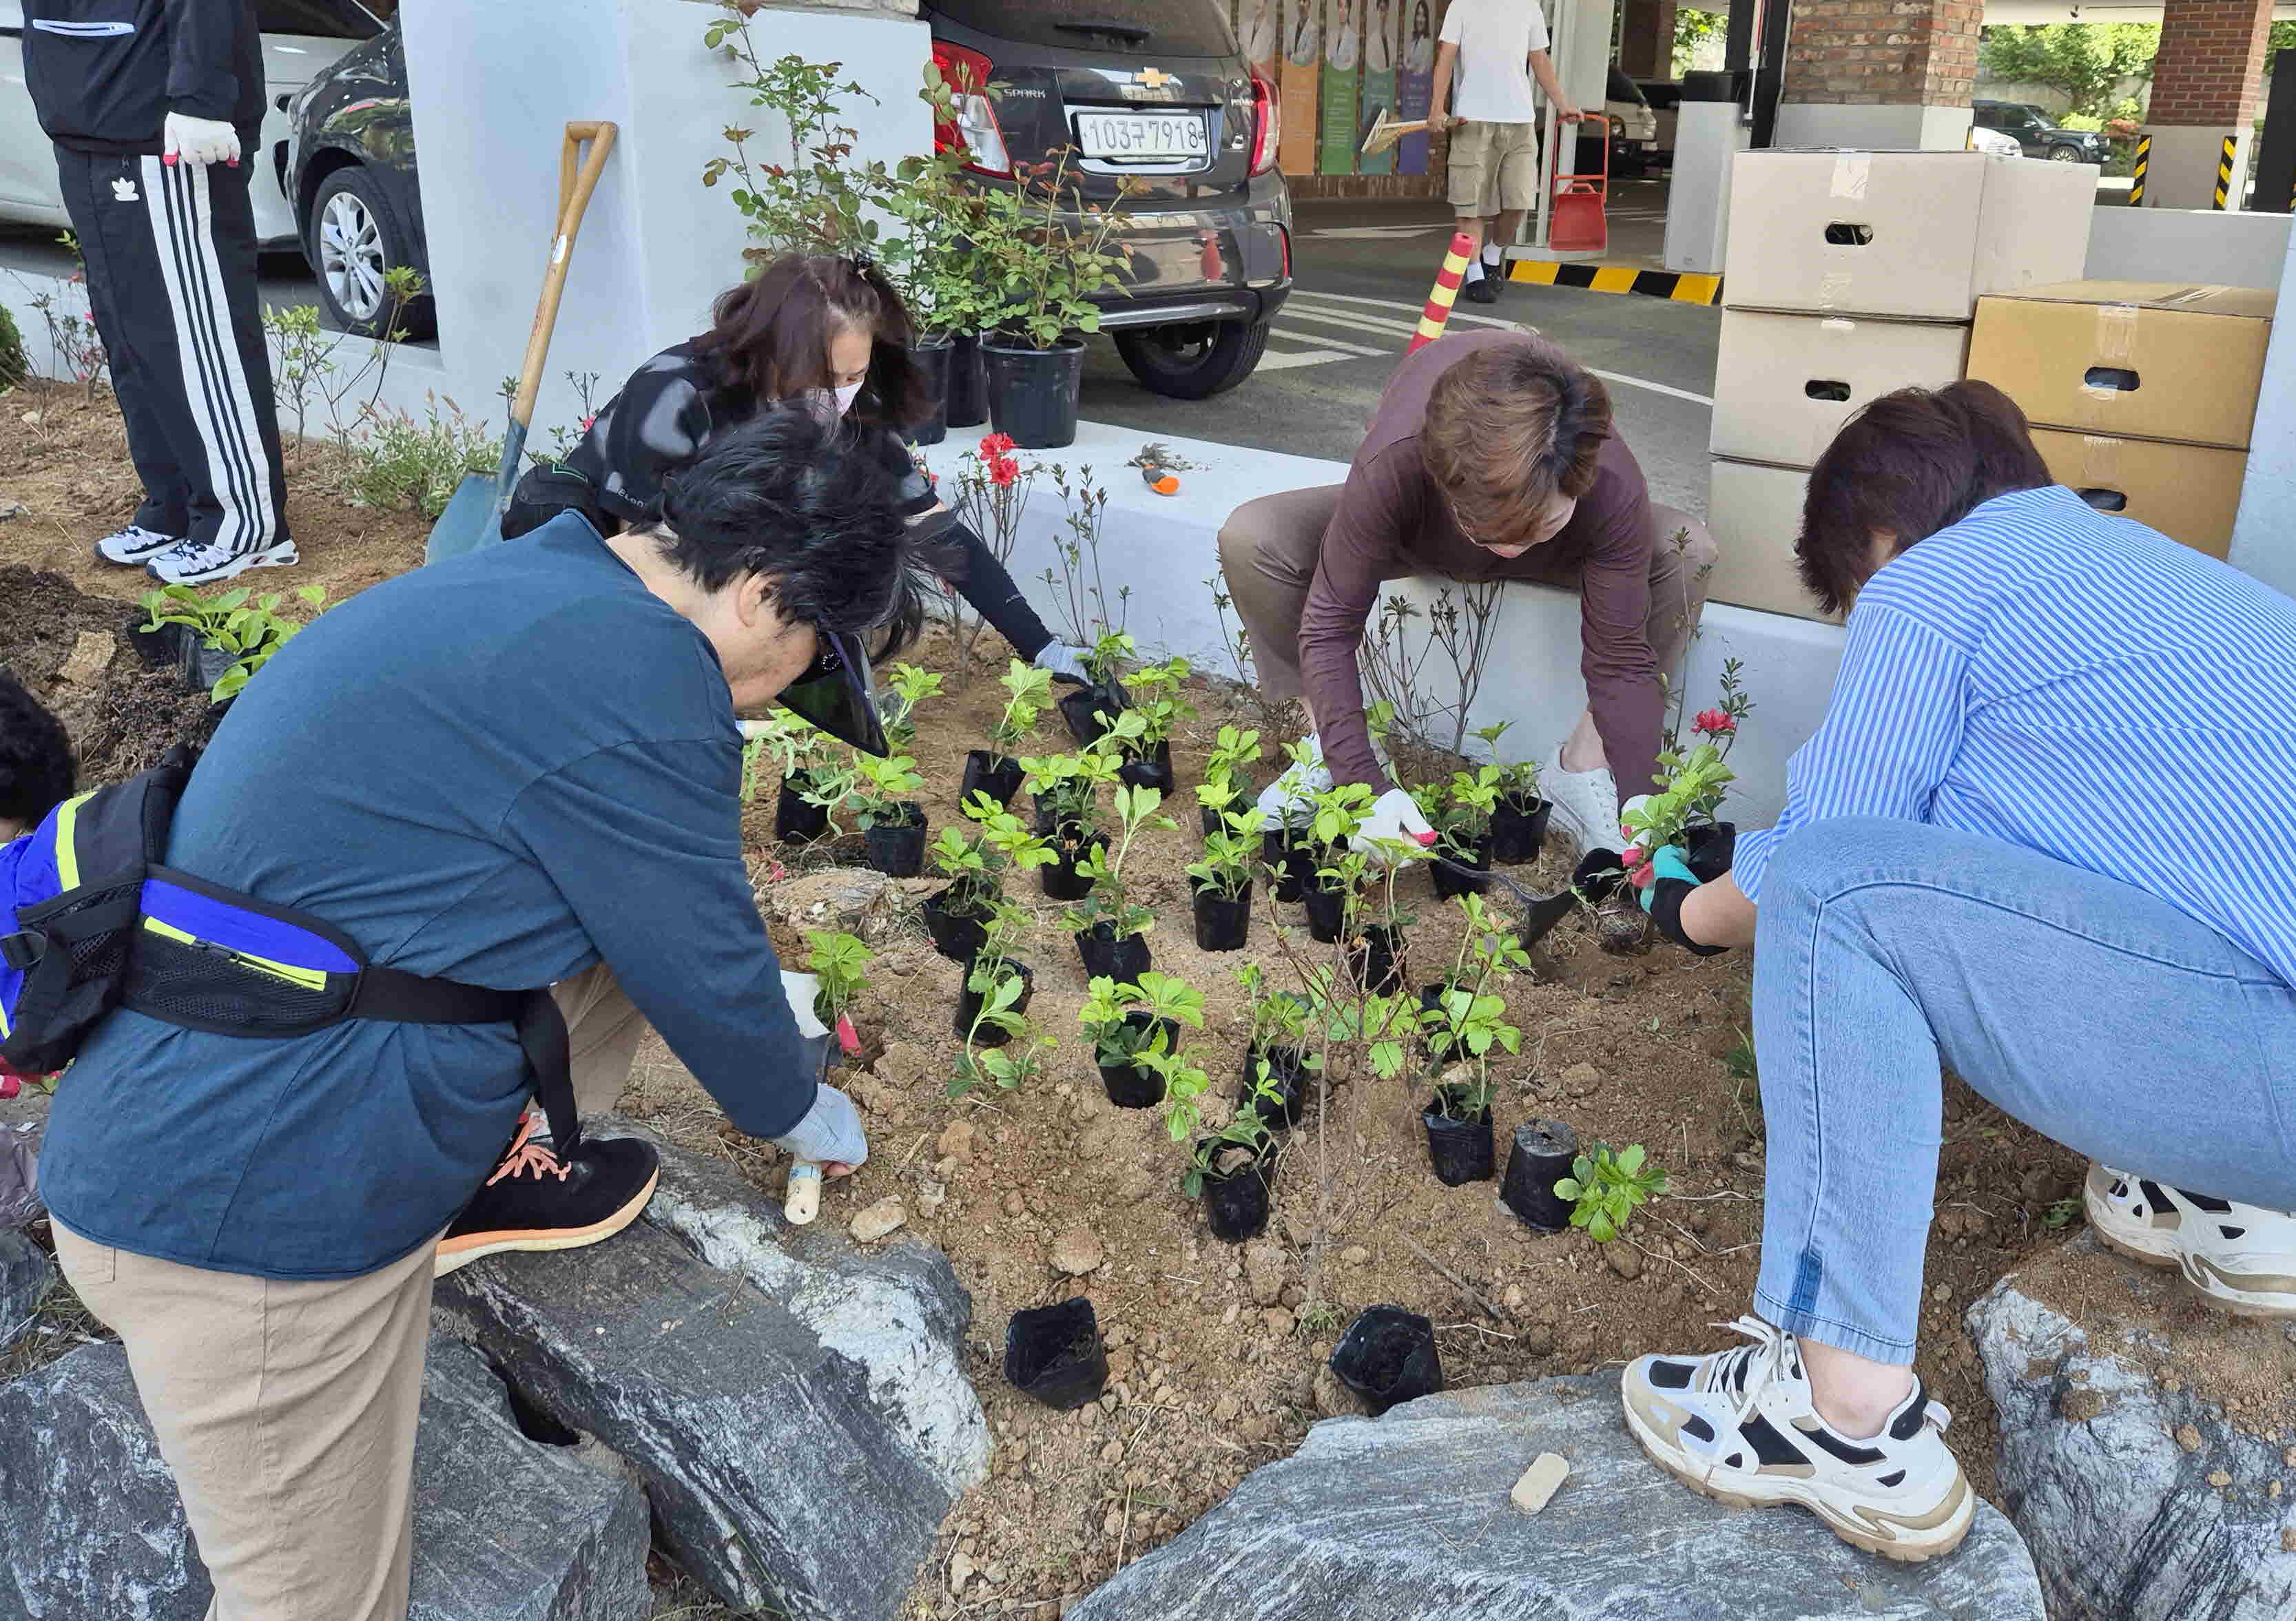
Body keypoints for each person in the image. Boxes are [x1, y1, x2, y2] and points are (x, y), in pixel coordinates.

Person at [37, 410, 909, 1618]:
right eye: (813, 656)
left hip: (218, 1077)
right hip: (237, 1213)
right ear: (765, 595)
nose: (783, 694)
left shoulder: (543, 572)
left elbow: (662, 922)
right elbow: (709, 969)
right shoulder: (649, 683)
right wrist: (794, 1101)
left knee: (607, 930)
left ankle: (495, 1173)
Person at [1612, 382, 2296, 1562]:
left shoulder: (1934, 581)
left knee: (1835, 890)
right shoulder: (2148, 571)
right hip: (2253, 1054)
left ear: (1872, 543)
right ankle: (2229, 1196)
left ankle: (1840, 1408)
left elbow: (1829, 851)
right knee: (2033, 860)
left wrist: (1683, 910)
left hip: (2264, 1065)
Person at [1217, 329, 1717, 856]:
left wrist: (1640, 796)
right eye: (1490, 533)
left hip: (1563, 557)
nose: (1508, 550)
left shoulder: (1608, 479)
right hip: (1418, 538)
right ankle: (1327, 747)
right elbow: (1329, 625)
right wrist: (1361, 782)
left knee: (1684, 549)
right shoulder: (1397, 460)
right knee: (1255, 535)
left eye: (1537, 524)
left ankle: (1582, 766)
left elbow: (1619, 659)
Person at [507, 253, 1094, 685]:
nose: (836, 395)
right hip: (615, 538)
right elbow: (638, 550)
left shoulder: (847, 409)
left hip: (732, 559)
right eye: (820, 377)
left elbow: (931, 528)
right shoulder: (676, 393)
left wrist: (1040, 647)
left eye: (852, 376)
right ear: (768, 352)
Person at [23, 0, 295, 585]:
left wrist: (200, 99)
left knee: (193, 335)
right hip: (86, 124)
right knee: (132, 336)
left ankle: (243, 522)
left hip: (163, 133)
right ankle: (176, 502)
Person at [1427, 0, 1582, 302]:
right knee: (1470, 206)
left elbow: (1539, 59)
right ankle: (1474, 277)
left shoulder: (1529, 8)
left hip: (1520, 121)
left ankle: (1493, 254)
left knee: (1520, 201)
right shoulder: (1463, 5)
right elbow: (1446, 57)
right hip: (1472, 119)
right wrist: (1437, 108)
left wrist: (1562, 104)